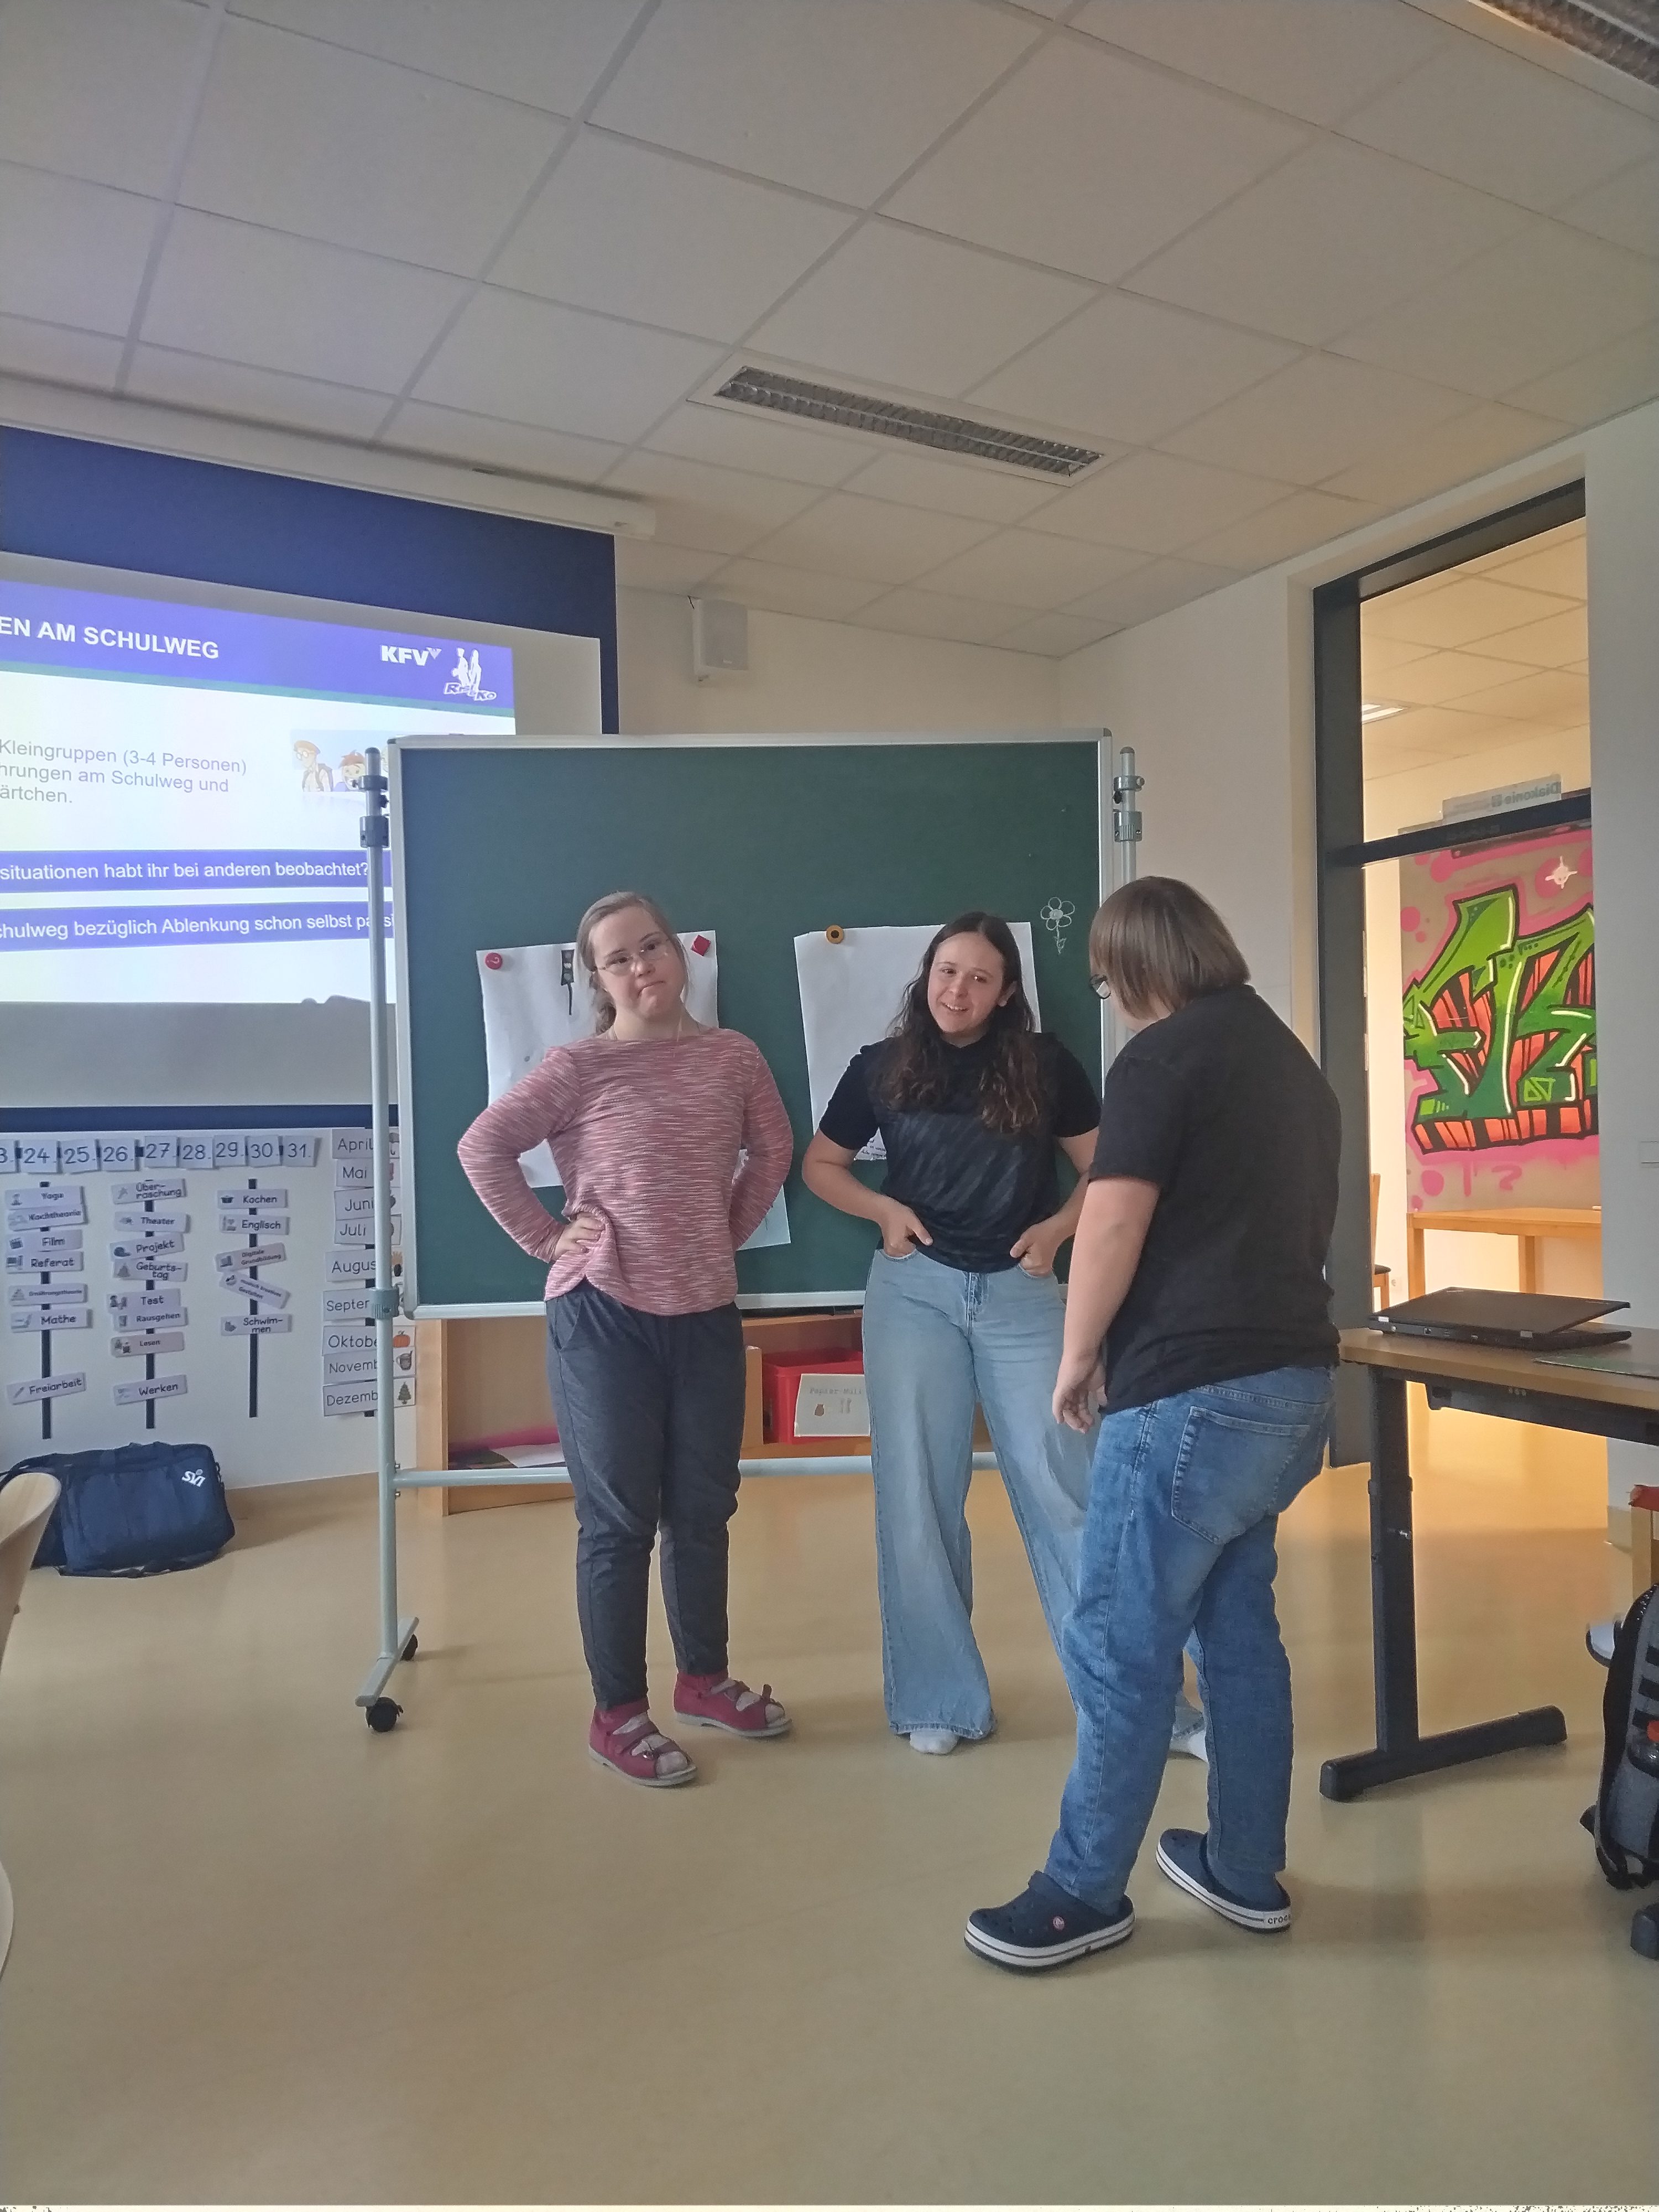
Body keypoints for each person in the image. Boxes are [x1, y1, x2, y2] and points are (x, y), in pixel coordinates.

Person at [964, 878, 1340, 1971]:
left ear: (1136, 966)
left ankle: (1081, 1891)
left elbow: (1115, 1218)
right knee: (1238, 1630)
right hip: (1289, 1388)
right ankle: (1243, 1865)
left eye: (1107, 981)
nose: (1113, 1001)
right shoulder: (1292, 1066)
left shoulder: (1161, 1059)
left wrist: (1079, 1353)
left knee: (1122, 1643)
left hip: (1191, 1393)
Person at [802, 911, 1206, 1757]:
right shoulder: (881, 1066)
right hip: (913, 1295)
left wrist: (1058, 1231)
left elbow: (1104, 1170)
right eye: (947, 971)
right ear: (926, 974)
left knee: (1071, 1494)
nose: (958, 990)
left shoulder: (1046, 1064)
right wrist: (883, 1212)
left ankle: (1145, 1710)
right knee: (917, 1500)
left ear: (1007, 991)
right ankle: (940, 1702)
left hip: (1023, 1296)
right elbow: (821, 1166)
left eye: (980, 977)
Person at [457, 891, 794, 1789]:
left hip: (706, 1314)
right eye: (619, 958)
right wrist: (547, 1240)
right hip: (603, 1316)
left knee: (703, 1510)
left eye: (653, 946)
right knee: (618, 1522)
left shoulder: (734, 1057)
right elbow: (484, 1147)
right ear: (598, 980)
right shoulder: (578, 1067)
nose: (642, 966)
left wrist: (724, 1232)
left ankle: (703, 1680)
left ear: (680, 953)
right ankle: (617, 1713)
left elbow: (773, 1149)